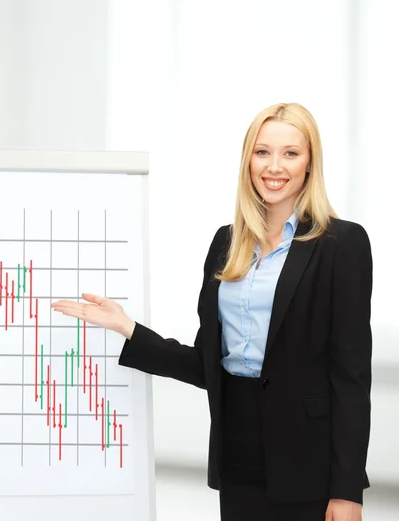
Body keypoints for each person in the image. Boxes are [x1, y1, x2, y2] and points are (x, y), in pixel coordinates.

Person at [51, 102, 372, 521]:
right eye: (262, 152)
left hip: (306, 460)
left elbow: (350, 378)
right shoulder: (227, 243)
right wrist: (127, 327)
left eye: (291, 153)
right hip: (237, 451)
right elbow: (208, 365)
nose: (274, 166)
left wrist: (347, 491)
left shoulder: (341, 244)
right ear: (248, 161)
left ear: (310, 163)